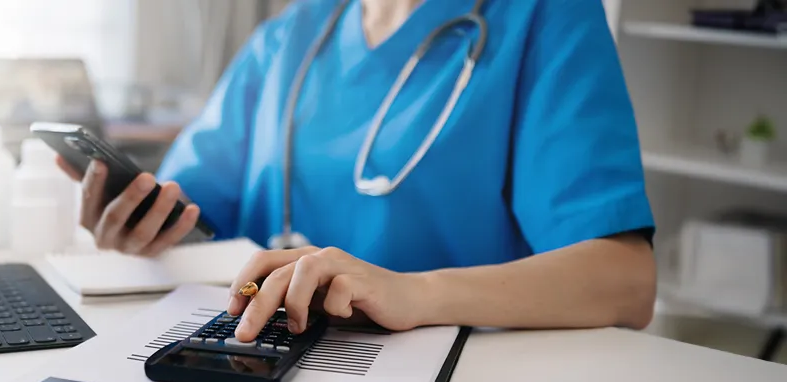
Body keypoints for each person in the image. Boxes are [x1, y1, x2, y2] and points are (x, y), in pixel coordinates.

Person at [57, 0, 656, 342]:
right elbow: (191, 218)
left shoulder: (544, 19)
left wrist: (414, 291)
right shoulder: (288, 37)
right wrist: (136, 225)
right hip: (272, 360)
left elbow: (625, 280)